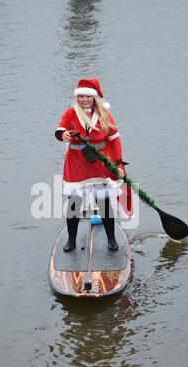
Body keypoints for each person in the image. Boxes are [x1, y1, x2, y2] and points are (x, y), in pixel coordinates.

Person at [55, 78, 130, 252]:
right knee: (74, 204)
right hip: (76, 164)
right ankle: (71, 241)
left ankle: (111, 239)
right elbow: (60, 130)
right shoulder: (71, 113)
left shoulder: (104, 113)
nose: (84, 99)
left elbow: (114, 139)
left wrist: (118, 163)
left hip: (99, 163)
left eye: (87, 96)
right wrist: (64, 135)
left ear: (94, 97)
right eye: (80, 96)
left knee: (103, 203)